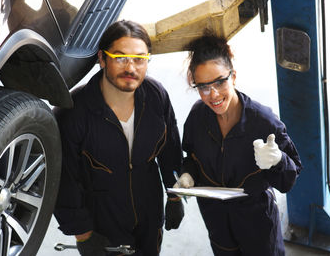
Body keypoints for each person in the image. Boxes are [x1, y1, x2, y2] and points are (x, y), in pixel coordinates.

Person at [53, 20, 184, 256]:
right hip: (102, 221)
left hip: (149, 211)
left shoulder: (156, 96)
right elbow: (64, 179)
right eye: (121, 57)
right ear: (102, 59)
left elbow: (170, 149)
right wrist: (82, 233)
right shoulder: (73, 111)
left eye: (139, 59)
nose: (131, 68)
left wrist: (174, 195)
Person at [174, 33, 303, 256]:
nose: (213, 94)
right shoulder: (197, 117)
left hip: (257, 223)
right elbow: (192, 158)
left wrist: (278, 161)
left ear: (233, 76)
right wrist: (188, 175)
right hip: (216, 218)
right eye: (203, 86)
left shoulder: (263, 121)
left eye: (220, 81)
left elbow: (288, 181)